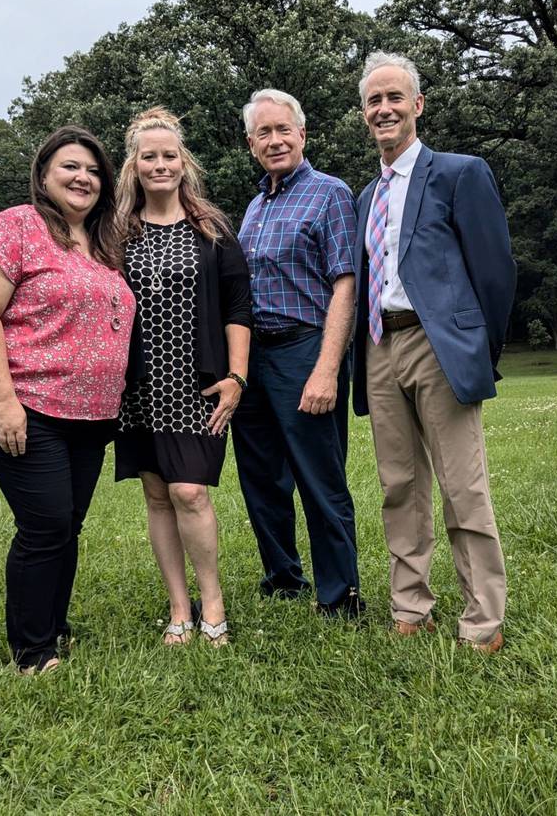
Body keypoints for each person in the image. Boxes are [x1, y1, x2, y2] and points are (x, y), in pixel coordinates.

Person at [353, 51, 516, 654]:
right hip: (377, 345)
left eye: (395, 97)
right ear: (364, 114)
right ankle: (410, 602)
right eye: (374, 100)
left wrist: (478, 345)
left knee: (462, 485)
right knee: (399, 483)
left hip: (437, 343)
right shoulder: (364, 196)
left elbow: (495, 271)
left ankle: (482, 618)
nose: (385, 109)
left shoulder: (459, 172)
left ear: (417, 105)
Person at [0, 125, 135, 674]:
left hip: (90, 416)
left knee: (68, 525)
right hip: (25, 401)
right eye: (70, 167)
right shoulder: (17, 226)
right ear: (43, 175)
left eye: (92, 170)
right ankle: (32, 653)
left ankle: (54, 628)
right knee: (46, 524)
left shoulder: (106, 243)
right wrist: (4, 402)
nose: (83, 177)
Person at [115, 107, 251, 646]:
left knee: (190, 491)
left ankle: (212, 601)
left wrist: (237, 376)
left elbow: (239, 307)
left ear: (183, 162)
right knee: (156, 495)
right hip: (140, 388)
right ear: (134, 166)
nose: (160, 164)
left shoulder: (212, 228)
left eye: (169, 155)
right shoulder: (117, 232)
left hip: (198, 386)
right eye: (149, 156)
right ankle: (179, 607)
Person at [232, 89, 362, 617]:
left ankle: (340, 596)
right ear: (250, 143)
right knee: (261, 475)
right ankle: (282, 576)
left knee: (319, 476)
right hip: (253, 357)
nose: (275, 139)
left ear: (302, 134)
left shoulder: (331, 194)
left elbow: (346, 285)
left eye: (283, 129)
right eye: (263, 132)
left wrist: (327, 369)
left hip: (306, 347)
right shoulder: (254, 204)